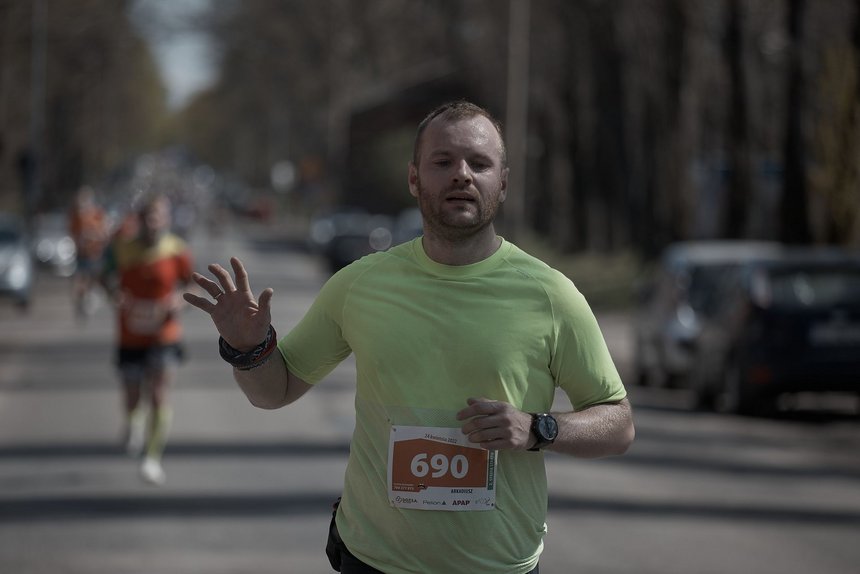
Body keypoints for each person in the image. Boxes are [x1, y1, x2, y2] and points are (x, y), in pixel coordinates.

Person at [184, 100, 634, 573]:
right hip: (373, 561)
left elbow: (619, 424)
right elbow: (275, 391)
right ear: (414, 178)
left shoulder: (550, 295)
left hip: (497, 567)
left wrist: (540, 429)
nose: (462, 174)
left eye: (479, 163)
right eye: (443, 162)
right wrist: (247, 349)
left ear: (502, 182)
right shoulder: (359, 284)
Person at [101, 194, 193, 485]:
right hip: (130, 334)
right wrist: (114, 294)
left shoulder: (177, 249)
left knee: (158, 393)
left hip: (165, 334)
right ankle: (133, 422)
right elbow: (104, 276)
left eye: (159, 216)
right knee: (132, 398)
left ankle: (152, 458)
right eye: (148, 216)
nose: (154, 222)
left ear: (166, 219)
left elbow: (191, 283)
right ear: (140, 220)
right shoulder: (122, 247)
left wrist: (180, 300)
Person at [68, 185, 109, 319]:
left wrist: (95, 235)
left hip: (95, 253)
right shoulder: (76, 217)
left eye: (85, 200)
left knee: (93, 279)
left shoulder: (97, 214)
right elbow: (72, 233)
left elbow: (104, 231)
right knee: (80, 279)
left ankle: (90, 299)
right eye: (80, 200)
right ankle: (80, 304)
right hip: (82, 254)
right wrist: (79, 240)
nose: (83, 203)